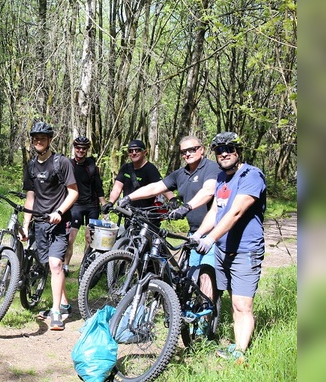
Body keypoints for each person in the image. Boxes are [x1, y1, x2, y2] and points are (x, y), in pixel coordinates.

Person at [117, 136, 221, 307]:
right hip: (194, 230)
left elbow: (208, 191)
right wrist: (129, 197)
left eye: (192, 149)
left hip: (214, 232)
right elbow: (156, 187)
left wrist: (186, 207)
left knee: (204, 274)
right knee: (191, 275)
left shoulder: (211, 168)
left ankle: (205, 318)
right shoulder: (181, 173)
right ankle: (187, 311)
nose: (188, 154)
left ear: (201, 149)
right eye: (184, 152)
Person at [191, 132, 267, 365]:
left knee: (243, 305)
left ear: (238, 151)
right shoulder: (223, 178)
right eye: (219, 150)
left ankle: (241, 354)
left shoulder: (251, 175)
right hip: (224, 251)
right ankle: (237, 344)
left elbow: (236, 211)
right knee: (234, 301)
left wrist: (211, 238)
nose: (224, 153)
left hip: (245, 251)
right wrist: (198, 234)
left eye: (229, 149)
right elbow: (216, 211)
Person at [22, 122, 78, 331]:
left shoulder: (61, 163)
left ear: (50, 141)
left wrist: (59, 212)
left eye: (42, 138)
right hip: (39, 223)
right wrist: (26, 225)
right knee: (48, 264)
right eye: (35, 138)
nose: (38, 141)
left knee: (55, 264)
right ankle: (63, 302)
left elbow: (73, 192)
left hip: (59, 223)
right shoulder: (31, 166)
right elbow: (30, 197)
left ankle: (56, 312)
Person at [62, 136, 107, 276]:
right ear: (74, 148)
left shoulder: (91, 166)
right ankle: (65, 266)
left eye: (84, 148)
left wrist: (105, 207)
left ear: (87, 150)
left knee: (89, 238)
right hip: (75, 206)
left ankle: (84, 267)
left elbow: (98, 188)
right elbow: (63, 187)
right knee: (70, 238)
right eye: (78, 148)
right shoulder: (68, 164)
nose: (80, 150)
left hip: (92, 206)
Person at [104, 139, 173, 224]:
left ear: (144, 152)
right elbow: (117, 188)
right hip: (129, 212)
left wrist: (172, 199)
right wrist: (110, 203)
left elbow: (162, 187)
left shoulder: (150, 169)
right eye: (131, 151)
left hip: (147, 214)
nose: (134, 153)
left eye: (137, 150)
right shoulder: (125, 168)